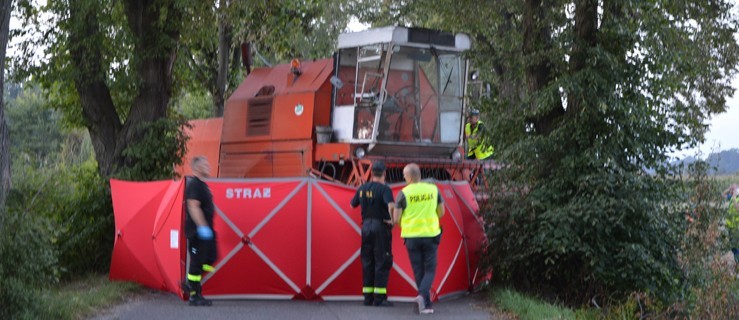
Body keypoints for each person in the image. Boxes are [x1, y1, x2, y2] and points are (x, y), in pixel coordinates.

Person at [393, 163, 444, 315]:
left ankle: (425, 305)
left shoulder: (403, 193)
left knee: (418, 270)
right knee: (430, 269)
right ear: (419, 175)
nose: (403, 178)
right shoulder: (433, 190)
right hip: (430, 235)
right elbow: (441, 213)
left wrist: (402, 222)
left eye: (404, 175)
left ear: (408, 177)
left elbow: (396, 218)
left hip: (411, 237)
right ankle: (423, 298)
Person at [350, 160, 396, 307]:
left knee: (367, 261)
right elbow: (391, 205)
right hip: (380, 226)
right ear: (384, 173)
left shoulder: (362, 188)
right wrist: (393, 221)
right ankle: (380, 298)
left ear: (372, 173)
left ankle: (367, 298)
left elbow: (352, 205)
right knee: (382, 261)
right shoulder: (384, 189)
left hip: (366, 227)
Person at [182, 156, 218, 306]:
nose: (208, 166)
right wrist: (202, 226)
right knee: (196, 263)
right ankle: (194, 295)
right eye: (205, 165)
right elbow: (193, 206)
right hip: (198, 232)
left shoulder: (203, 185)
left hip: (206, 232)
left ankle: (190, 283)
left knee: (211, 258)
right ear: (196, 168)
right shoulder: (195, 185)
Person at [723, 184, 739, 262]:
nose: (732, 191)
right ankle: (737, 263)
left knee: (736, 247)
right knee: (733, 248)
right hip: (730, 227)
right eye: (732, 190)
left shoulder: (736, 199)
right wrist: (728, 189)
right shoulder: (733, 198)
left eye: (734, 189)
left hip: (737, 227)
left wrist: (734, 196)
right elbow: (722, 196)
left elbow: (737, 208)